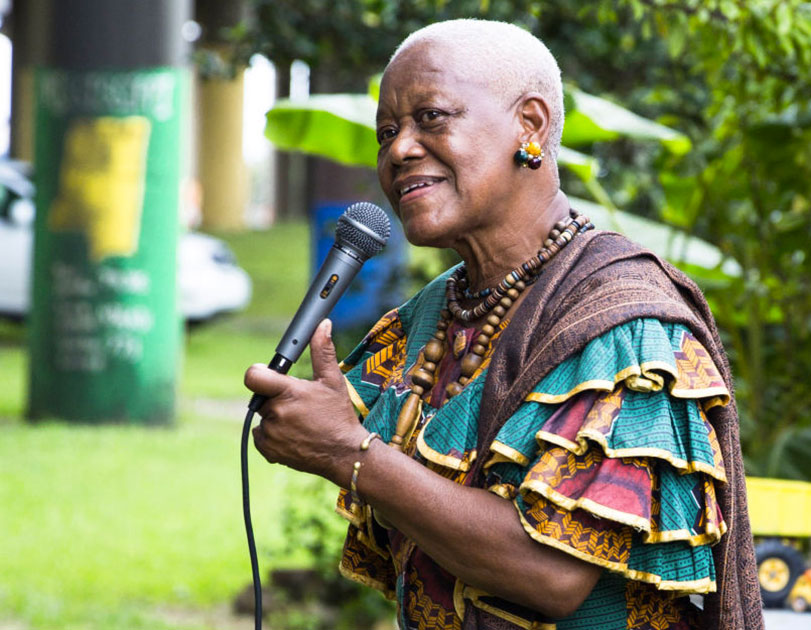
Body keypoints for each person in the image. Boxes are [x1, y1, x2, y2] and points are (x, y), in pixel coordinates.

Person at [244, 19, 762, 630]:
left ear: (531, 126)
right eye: (387, 132)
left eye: (431, 117)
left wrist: (349, 452)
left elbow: (553, 574)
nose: (400, 149)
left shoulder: (623, 324)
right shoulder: (431, 315)